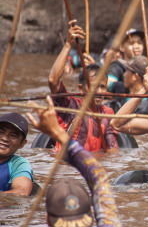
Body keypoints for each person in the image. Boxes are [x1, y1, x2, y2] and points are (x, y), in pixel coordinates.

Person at [26, 97, 125, 227]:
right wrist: (58, 134)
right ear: (91, 216)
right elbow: (98, 175)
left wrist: (57, 134)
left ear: (48, 221)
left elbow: (98, 176)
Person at [48, 20, 118, 153]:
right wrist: (68, 44)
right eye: (94, 86)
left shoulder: (108, 113)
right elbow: (53, 80)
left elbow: (112, 150)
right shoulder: (70, 105)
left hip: (89, 168)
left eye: (103, 87)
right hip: (67, 167)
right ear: (81, 89)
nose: (99, 92)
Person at [0, 112, 33, 196]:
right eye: (1, 132)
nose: (4, 138)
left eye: (13, 135)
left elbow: (22, 192)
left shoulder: (18, 164)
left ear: (22, 143)